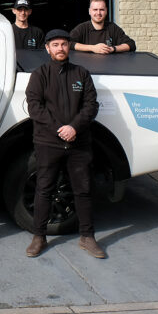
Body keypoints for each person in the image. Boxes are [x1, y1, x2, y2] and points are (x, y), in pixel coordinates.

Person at [24, 29, 105, 260]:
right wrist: (60, 129)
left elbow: (91, 105)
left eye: (64, 44)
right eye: (56, 45)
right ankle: (39, 236)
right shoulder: (40, 74)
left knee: (83, 189)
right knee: (44, 189)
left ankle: (87, 237)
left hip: (79, 142)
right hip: (48, 142)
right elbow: (34, 107)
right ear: (48, 48)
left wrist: (74, 128)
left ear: (69, 47)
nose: (60, 48)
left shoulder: (81, 73)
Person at [70, 0, 135, 54]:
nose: (98, 13)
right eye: (95, 9)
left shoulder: (112, 27)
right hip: (86, 66)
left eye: (101, 10)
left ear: (106, 11)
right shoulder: (82, 28)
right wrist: (92, 48)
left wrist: (113, 49)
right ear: (89, 11)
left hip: (109, 66)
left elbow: (131, 44)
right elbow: (69, 43)